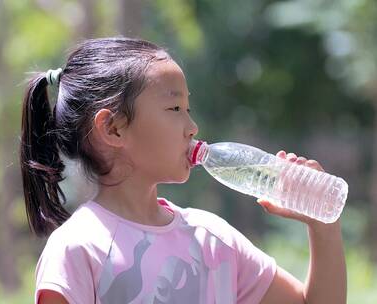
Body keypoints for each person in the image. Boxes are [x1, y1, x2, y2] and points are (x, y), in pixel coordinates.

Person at [19, 37, 346, 304]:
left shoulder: (212, 239)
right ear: (113, 128)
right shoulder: (78, 248)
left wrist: (323, 227)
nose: (192, 127)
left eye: (188, 109)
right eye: (174, 108)